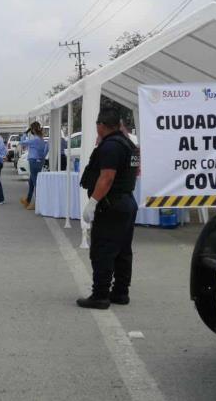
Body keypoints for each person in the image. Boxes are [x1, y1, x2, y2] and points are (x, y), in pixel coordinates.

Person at [77, 107, 139, 310]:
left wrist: (93, 202)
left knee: (103, 250)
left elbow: (107, 177)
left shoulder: (111, 147)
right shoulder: (129, 144)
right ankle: (121, 292)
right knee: (122, 250)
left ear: (101, 125)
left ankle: (100, 295)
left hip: (111, 204)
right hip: (126, 201)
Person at [19, 121, 48, 211]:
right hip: (38, 161)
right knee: (31, 182)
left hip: (33, 161)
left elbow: (22, 142)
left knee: (35, 183)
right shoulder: (41, 139)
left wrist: (24, 134)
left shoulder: (35, 139)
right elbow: (44, 152)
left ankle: (37, 204)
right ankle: (28, 200)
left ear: (33, 130)